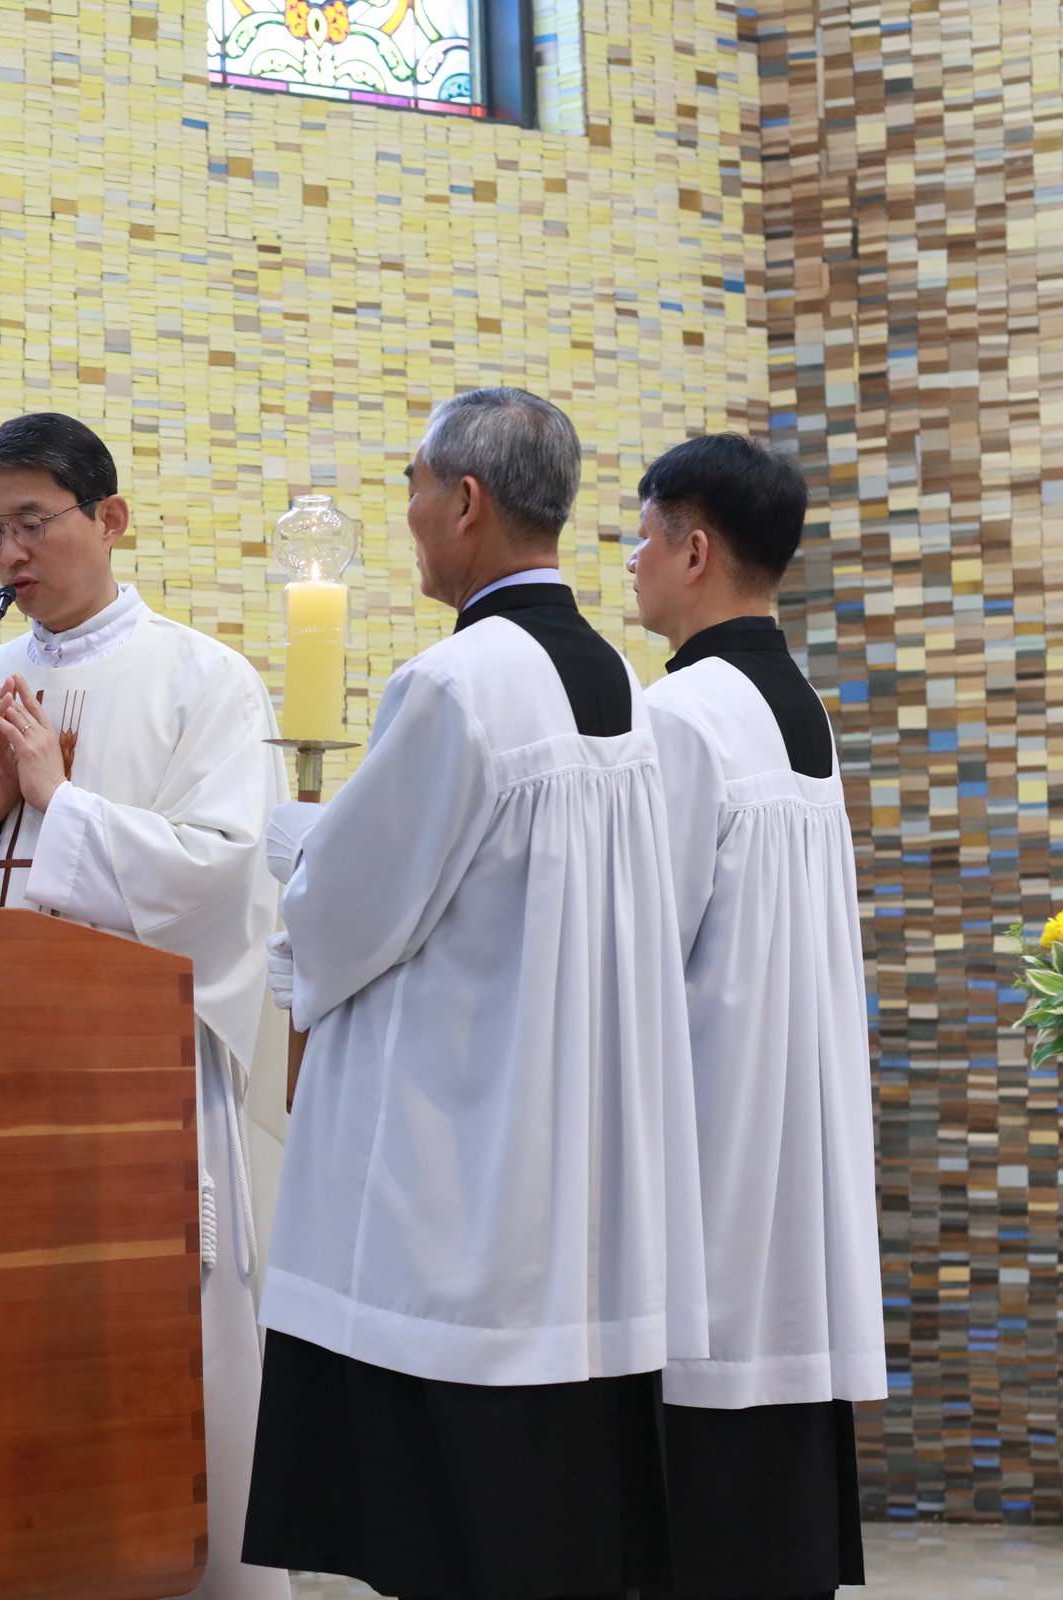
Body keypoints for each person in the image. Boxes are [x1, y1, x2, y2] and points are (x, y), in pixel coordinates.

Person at [244, 388, 707, 1600]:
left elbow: (351, 912)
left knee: (452, 1543)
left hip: (462, 1189)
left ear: (464, 501)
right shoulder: (618, 681)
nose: (404, 517)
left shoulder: (455, 684)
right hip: (578, 1181)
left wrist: (297, 852)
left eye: (410, 489)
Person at [0, 413, 290, 1600]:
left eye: (33, 522)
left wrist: (61, 798)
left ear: (111, 518)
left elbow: (228, 875)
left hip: (135, 1090)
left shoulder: (203, 679)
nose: (10, 553)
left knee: (152, 1365)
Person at [627, 434, 884, 1599]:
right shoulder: (798, 704)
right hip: (789, 1134)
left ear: (695, 550)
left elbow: (639, 945)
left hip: (709, 1128)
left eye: (642, 535)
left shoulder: (680, 713)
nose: (632, 561)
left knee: (704, 1411)